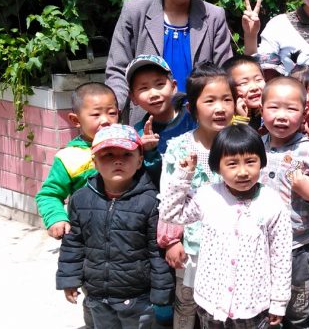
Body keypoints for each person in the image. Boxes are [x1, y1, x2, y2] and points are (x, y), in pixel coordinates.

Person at [159, 124, 292, 327]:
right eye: (232, 164)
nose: (242, 172)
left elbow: (281, 256)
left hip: (253, 307)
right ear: (217, 167)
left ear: (261, 162)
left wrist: (279, 303)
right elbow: (170, 214)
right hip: (210, 304)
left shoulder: (272, 202)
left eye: (250, 162)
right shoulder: (207, 195)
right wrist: (183, 176)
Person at [56, 124, 174, 329]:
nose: (117, 160)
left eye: (126, 154)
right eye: (108, 155)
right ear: (94, 162)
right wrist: (69, 279)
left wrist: (162, 292)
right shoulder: (81, 199)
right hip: (96, 295)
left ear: (139, 161)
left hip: (137, 297)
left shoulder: (150, 201)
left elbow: (157, 251)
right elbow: (73, 244)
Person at [106, 0, 233, 125]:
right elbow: (118, 69)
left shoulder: (214, 16)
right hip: (146, 123)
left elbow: (226, 71)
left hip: (201, 123)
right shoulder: (135, 11)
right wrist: (112, 112)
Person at [157, 63, 237, 329]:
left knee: (223, 305)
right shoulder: (180, 148)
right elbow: (168, 195)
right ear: (191, 108)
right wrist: (170, 240)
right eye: (210, 100)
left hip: (231, 246)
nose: (220, 108)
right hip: (192, 248)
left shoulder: (242, 144)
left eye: (227, 99)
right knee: (187, 301)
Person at [36, 82, 120, 328]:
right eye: (95, 114)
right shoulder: (69, 157)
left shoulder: (128, 147)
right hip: (90, 240)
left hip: (127, 236)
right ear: (75, 119)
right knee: (96, 298)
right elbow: (48, 194)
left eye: (112, 112)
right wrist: (56, 218)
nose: (106, 120)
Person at [259, 76, 309, 329]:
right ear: (261, 109)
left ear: (304, 114)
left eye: (291, 109)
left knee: (298, 311)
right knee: (263, 309)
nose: (282, 116)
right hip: (259, 246)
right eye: (274, 107)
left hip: (298, 248)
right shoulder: (256, 148)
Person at [127, 54, 196, 186]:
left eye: (159, 84)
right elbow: (149, 179)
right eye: (143, 88)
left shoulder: (194, 117)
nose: (154, 94)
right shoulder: (138, 134)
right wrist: (149, 152)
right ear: (133, 97)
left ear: (174, 86)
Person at [222, 54, 267, 131]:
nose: (254, 87)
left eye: (258, 80)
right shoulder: (226, 117)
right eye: (243, 83)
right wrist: (241, 119)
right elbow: (234, 141)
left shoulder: (268, 108)